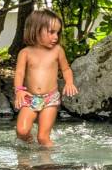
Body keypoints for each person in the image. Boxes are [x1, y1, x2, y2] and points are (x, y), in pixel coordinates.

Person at [13, 9, 77, 146]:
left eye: (57, 33)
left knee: (43, 138)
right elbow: (19, 73)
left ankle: (48, 159)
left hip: (50, 99)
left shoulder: (57, 50)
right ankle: (29, 148)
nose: (56, 37)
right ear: (36, 30)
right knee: (22, 132)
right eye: (51, 32)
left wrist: (69, 82)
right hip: (30, 98)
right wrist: (19, 90)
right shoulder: (25, 53)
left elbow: (66, 69)